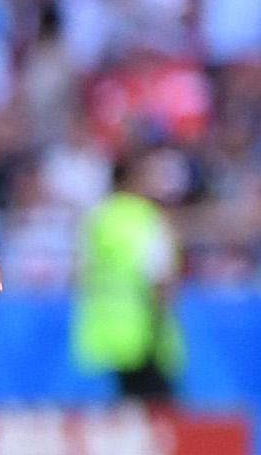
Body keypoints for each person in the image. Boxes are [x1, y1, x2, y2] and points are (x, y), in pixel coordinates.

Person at [73, 148, 183, 403]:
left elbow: (82, 272)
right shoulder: (146, 219)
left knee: (121, 412)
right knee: (158, 413)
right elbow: (159, 277)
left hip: (106, 333)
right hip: (145, 331)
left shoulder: (98, 220)